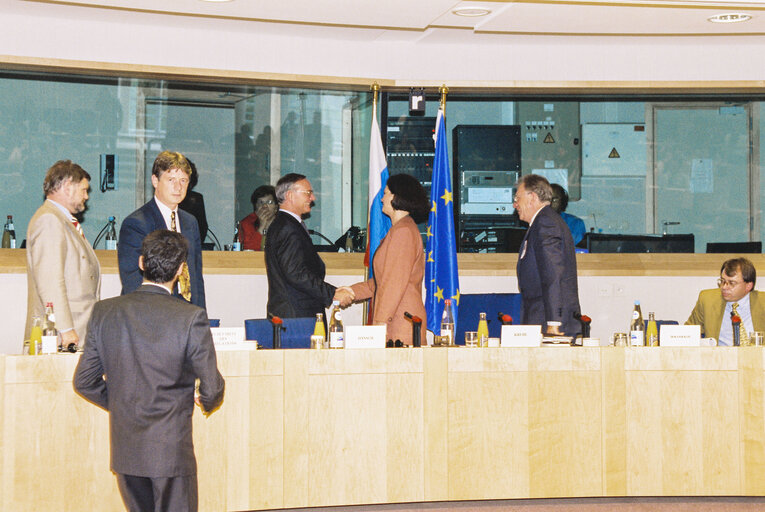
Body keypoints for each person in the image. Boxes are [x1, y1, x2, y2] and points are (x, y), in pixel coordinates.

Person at [74, 229, 225, 512]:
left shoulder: (104, 311)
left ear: (141, 262)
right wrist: (206, 401)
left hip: (126, 451)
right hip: (171, 451)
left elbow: (85, 381)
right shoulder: (191, 317)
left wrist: (122, 402)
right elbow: (212, 387)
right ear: (181, 270)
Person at [25, 160, 101, 348]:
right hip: (60, 338)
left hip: (71, 334)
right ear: (68, 187)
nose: (86, 196)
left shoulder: (60, 220)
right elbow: (50, 280)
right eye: (84, 190)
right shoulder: (49, 220)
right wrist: (65, 329)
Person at [347, 174, 429, 345]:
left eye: (386, 193)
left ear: (397, 197)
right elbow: (382, 281)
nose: (382, 199)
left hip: (400, 324)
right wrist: (349, 292)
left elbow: (393, 284)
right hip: (395, 321)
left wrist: (379, 324)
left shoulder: (403, 232)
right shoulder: (400, 229)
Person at [118, 150, 206, 309]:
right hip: (150, 314)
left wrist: (200, 316)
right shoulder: (136, 223)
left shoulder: (190, 222)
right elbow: (133, 281)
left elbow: (196, 278)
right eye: (171, 179)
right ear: (155, 180)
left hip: (186, 313)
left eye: (183, 180)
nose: (178, 187)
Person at [265, 173, 352, 319]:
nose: (313, 198)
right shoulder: (287, 228)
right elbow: (296, 273)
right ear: (290, 195)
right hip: (296, 317)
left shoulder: (286, 224)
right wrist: (332, 293)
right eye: (308, 193)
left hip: (295, 313)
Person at [514, 174, 582, 337]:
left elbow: (553, 274)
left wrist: (554, 322)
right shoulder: (541, 222)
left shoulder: (546, 223)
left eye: (517, 198)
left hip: (549, 322)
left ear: (532, 197)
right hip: (540, 317)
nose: (515, 204)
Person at [686, 257, 765, 344]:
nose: (724, 287)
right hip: (720, 356)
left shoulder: (762, 302)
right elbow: (688, 332)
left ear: (748, 286)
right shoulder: (707, 300)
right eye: (722, 281)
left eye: (731, 283)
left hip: (756, 356)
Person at [178, 159, 209, 243]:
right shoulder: (166, 200)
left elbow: (202, 229)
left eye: (183, 180)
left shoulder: (196, 199)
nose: (178, 185)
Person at [239, 185, 277, 250]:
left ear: (276, 207)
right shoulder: (246, 224)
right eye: (260, 202)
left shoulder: (286, 223)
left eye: (269, 202)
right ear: (255, 207)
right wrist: (261, 228)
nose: (264, 206)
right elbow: (247, 253)